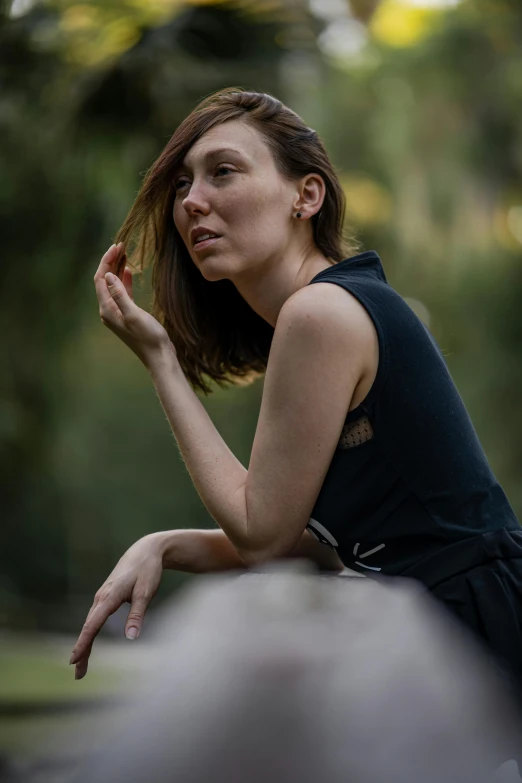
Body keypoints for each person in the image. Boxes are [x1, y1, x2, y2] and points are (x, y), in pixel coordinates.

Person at [70, 89, 522, 709]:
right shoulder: (326, 311)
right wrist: (166, 544)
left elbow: (264, 536)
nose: (192, 201)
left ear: (305, 197)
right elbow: (322, 542)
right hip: (453, 634)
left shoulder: (320, 314)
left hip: (480, 645)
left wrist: (160, 359)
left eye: (222, 171)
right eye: (180, 184)